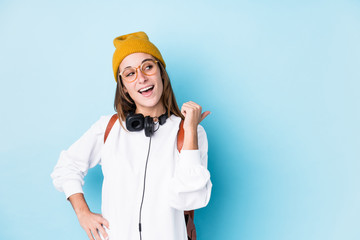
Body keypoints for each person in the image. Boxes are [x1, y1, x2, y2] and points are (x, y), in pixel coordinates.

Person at [51, 31, 212, 240]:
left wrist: (189, 130)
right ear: (124, 88)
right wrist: (83, 213)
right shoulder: (108, 128)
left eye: (148, 67)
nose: (142, 78)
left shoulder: (192, 132)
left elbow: (190, 200)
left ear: (161, 72)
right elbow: (66, 167)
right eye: (130, 73)